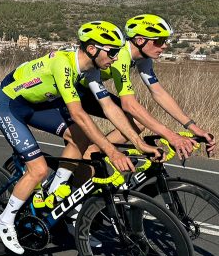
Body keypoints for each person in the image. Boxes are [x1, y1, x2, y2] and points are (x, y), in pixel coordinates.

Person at [0, 21, 160, 255]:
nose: (115, 57)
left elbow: (109, 107)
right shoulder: (63, 63)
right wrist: (112, 151)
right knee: (38, 169)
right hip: (8, 105)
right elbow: (79, 114)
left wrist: (139, 143)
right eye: (111, 51)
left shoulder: (91, 71)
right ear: (92, 49)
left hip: (38, 105)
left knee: (80, 139)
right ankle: (5, 220)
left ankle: (59, 196)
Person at [80, 14, 215, 159]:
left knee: (137, 122)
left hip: (90, 92)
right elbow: (129, 105)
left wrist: (194, 128)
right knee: (79, 139)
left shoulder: (143, 58)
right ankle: (93, 151)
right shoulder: (121, 56)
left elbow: (158, 92)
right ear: (140, 40)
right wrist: (171, 136)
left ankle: (95, 150)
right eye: (159, 41)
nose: (164, 45)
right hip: (75, 93)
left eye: (165, 40)